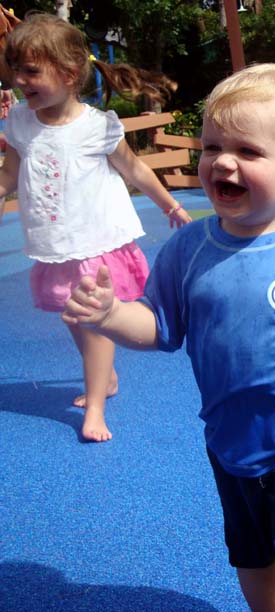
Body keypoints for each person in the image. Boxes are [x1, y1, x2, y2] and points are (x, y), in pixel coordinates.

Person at [62, 63, 275, 612]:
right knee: (252, 553)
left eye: (249, 152)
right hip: (231, 438)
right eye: (211, 147)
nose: (223, 161)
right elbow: (159, 329)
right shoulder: (188, 249)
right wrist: (110, 315)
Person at [0, 13, 192, 442]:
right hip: (54, 244)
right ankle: (104, 378)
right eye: (16, 69)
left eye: (31, 70)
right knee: (72, 316)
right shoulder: (20, 124)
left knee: (93, 320)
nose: (19, 79)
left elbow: (135, 169)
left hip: (96, 241)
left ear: (69, 74)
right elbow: (9, 176)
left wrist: (171, 205)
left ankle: (96, 408)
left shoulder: (96, 126)